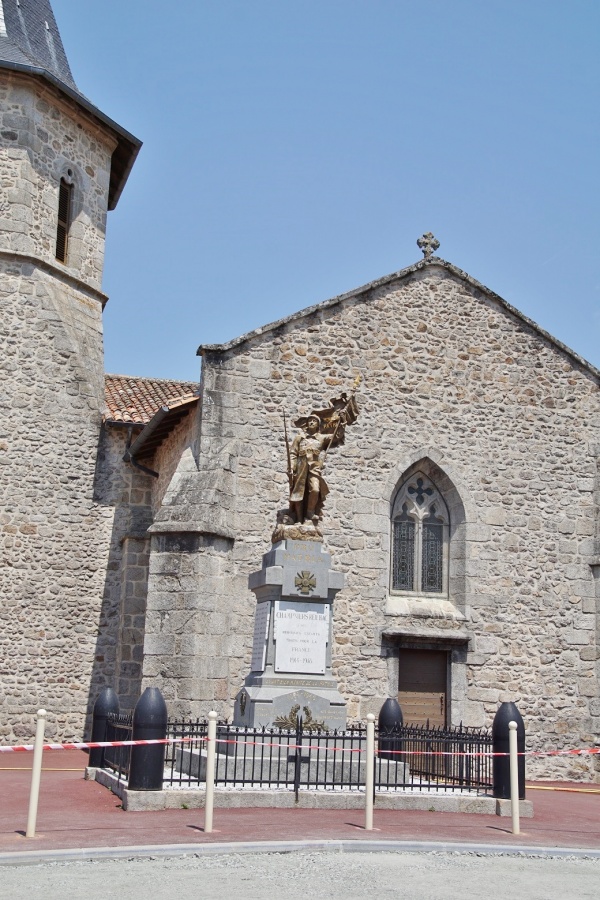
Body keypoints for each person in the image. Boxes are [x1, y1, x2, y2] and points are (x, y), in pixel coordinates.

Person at [288, 413, 332, 525]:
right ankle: (298, 519)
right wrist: (292, 467)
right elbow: (293, 453)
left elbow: (336, 435)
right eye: (310, 421)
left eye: (314, 421)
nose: (311, 422)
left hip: (314, 467)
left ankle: (310, 512)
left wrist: (343, 419)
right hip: (301, 465)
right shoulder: (299, 438)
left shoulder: (321, 438)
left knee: (315, 489)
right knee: (298, 492)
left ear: (318, 424)